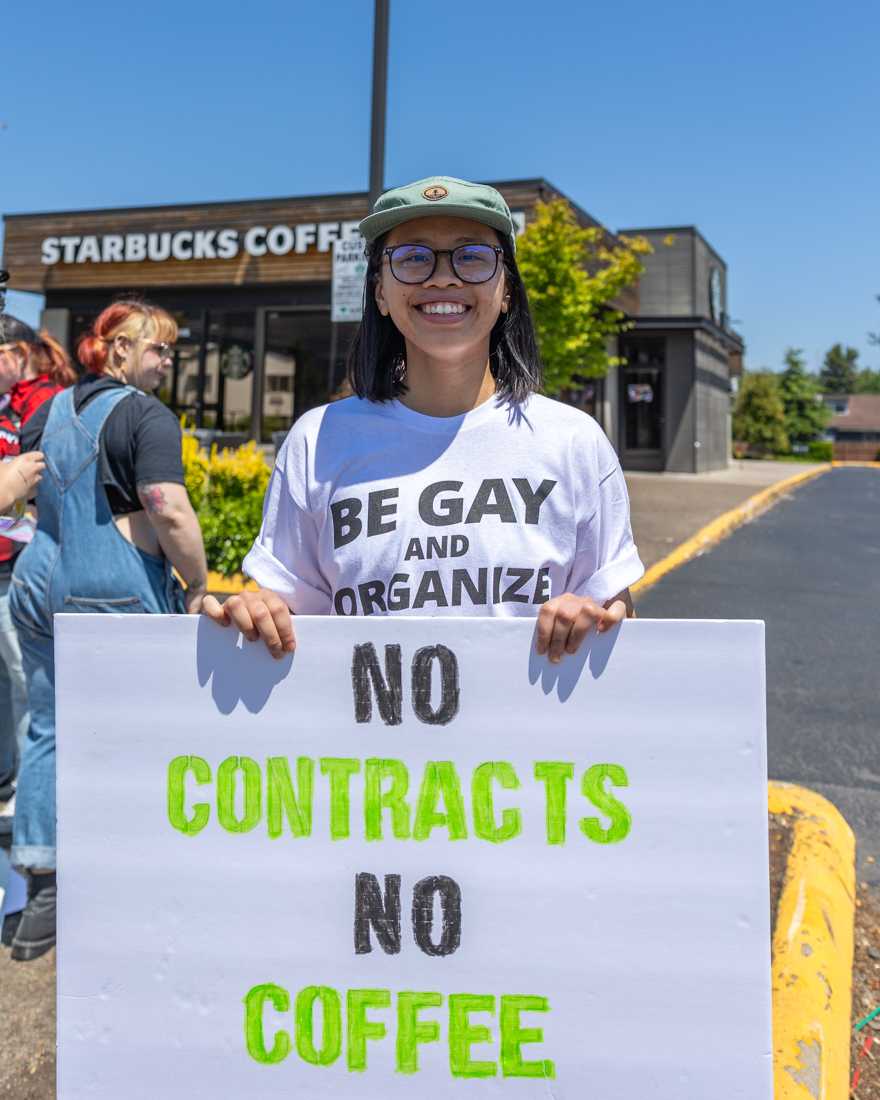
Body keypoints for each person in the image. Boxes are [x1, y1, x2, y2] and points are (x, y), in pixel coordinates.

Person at [203, 175, 643, 665]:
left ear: (507, 292)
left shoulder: (573, 441)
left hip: (526, 737)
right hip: (363, 739)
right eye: (413, 258)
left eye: (472, 256)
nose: (443, 278)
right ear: (380, 294)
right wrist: (260, 610)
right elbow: (292, 613)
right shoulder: (317, 440)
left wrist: (591, 613)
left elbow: (614, 606)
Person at [8, 299, 209, 962]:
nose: (168, 360)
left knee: (49, 725)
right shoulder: (146, 415)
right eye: (159, 348)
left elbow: (21, 484)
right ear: (119, 349)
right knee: (143, 733)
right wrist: (201, 583)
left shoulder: (50, 410)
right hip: (114, 587)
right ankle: (135, 875)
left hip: (40, 580)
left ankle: (43, 884)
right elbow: (167, 508)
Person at [0, 318, 74, 843]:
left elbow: (36, 489)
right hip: (13, 556)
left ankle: (32, 806)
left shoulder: (44, 403)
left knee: (28, 689)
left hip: (17, 565)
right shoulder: (14, 403)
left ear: (18, 353)